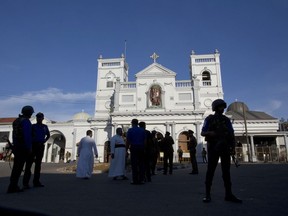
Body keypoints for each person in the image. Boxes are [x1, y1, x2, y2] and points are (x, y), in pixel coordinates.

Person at [201, 99, 242, 203]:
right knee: (210, 171)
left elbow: (231, 134)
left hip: (225, 147)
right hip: (213, 147)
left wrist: (232, 147)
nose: (222, 109)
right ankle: (207, 194)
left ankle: (228, 194)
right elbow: (203, 132)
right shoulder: (209, 119)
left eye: (223, 107)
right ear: (215, 108)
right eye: (220, 107)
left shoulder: (226, 120)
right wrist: (211, 133)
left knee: (226, 172)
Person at [7, 105, 34, 193]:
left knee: (16, 167)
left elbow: (14, 135)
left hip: (16, 147)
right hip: (23, 148)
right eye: (30, 113)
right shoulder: (26, 122)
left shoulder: (16, 121)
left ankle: (12, 185)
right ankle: (13, 187)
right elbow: (27, 136)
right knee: (19, 167)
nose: (31, 114)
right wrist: (29, 147)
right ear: (28, 112)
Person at [23, 112, 50, 188]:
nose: (39, 118)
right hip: (33, 145)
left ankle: (36, 182)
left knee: (38, 165)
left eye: (40, 117)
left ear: (43, 118)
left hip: (40, 146)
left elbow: (48, 135)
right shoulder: (33, 126)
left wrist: (44, 140)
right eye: (38, 117)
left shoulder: (45, 127)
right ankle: (26, 183)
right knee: (29, 164)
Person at [126, 119, 146, 185]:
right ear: (137, 123)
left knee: (134, 164)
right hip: (141, 148)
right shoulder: (142, 130)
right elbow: (144, 140)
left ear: (132, 123)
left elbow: (128, 141)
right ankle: (141, 179)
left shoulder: (130, 130)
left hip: (134, 147)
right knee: (141, 164)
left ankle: (135, 180)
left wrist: (126, 150)